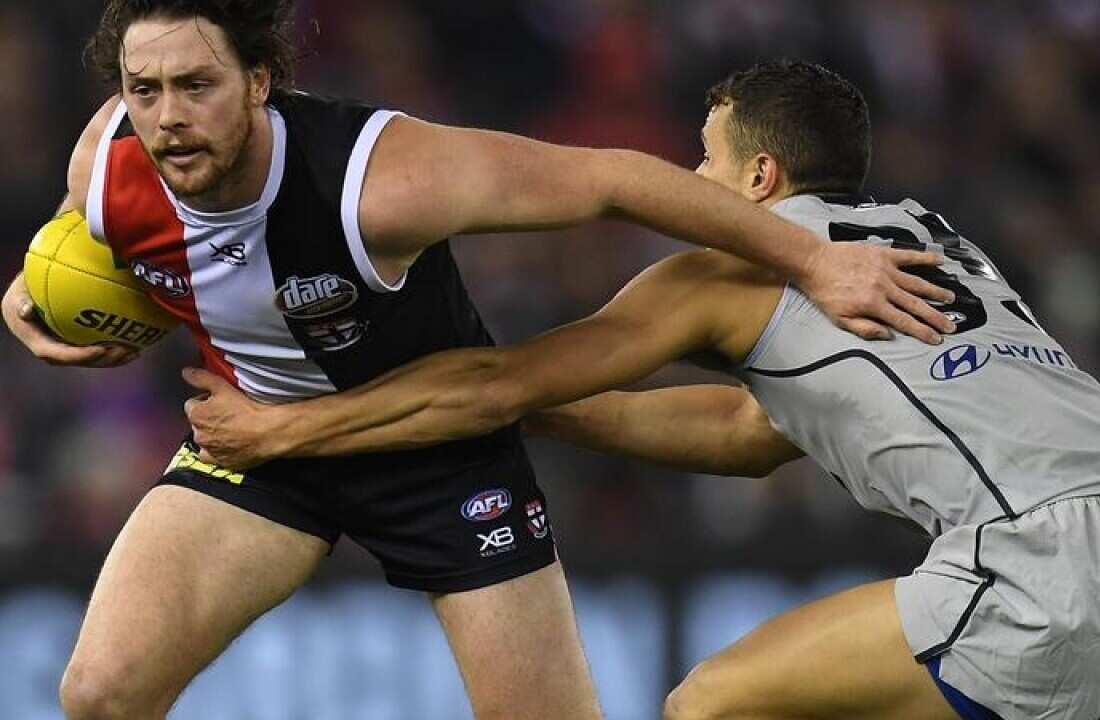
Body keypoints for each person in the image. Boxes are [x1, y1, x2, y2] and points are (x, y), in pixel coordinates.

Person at [186, 60, 1100, 720]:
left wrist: (291, 426)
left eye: (702, 167)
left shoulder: (730, 261)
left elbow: (486, 386)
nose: (690, 189)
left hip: (1053, 562)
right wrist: (543, 409)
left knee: (711, 702)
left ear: (757, 182)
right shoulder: (926, 242)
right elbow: (752, 430)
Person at [0, 3, 958, 718]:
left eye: (197, 86)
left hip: (440, 449)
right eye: (144, 89)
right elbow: (74, 249)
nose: (167, 118)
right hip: (256, 444)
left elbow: (611, 181)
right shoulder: (109, 162)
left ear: (259, 82)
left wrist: (813, 261)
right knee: (98, 693)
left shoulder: (383, 180)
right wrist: (28, 302)